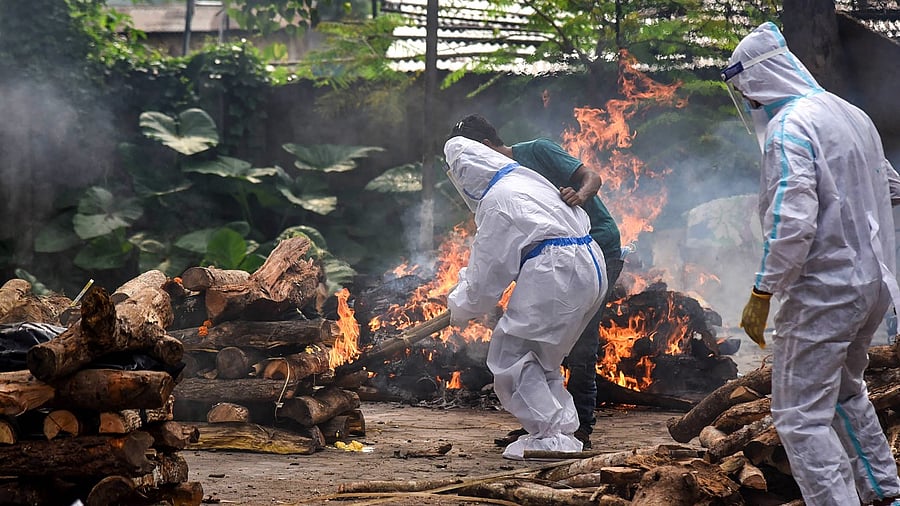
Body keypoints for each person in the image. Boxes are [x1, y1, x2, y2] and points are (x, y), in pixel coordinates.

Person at [728, 21, 900, 506]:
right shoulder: (850, 114)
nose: (750, 106)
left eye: (748, 95)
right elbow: (892, 186)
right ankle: (885, 494)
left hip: (823, 293)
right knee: (847, 394)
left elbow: (792, 225)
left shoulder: (789, 128)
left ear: (759, 83)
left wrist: (762, 292)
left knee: (800, 418)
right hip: (872, 285)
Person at [450, 114, 623, 449]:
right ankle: (551, 425)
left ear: (483, 150)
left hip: (589, 250)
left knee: (560, 348)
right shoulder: (517, 180)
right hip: (579, 258)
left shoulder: (530, 161)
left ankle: (571, 430)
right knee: (546, 349)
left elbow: (591, 177)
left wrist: (463, 303)